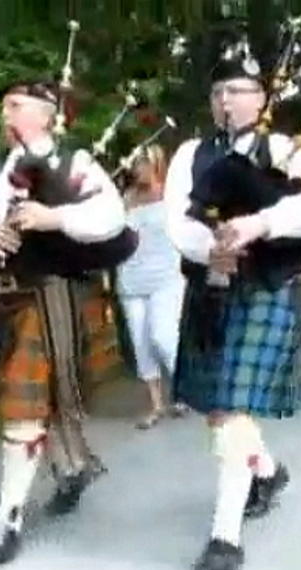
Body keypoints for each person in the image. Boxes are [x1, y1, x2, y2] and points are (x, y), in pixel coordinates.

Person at [164, 48, 301, 570]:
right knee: (220, 414)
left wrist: (261, 224)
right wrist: (207, 248)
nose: (225, 101)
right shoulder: (190, 154)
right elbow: (177, 217)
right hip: (210, 288)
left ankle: (225, 538)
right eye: (218, 93)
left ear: (261, 98)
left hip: (261, 288)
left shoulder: (286, 150)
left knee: (234, 411)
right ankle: (266, 470)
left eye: (237, 91)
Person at [0, 78, 127, 569]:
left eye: (17, 106)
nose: (6, 114)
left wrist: (56, 217)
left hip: (52, 297)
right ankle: (71, 470)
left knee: (24, 411)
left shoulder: (74, 161)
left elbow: (111, 217)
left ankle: (7, 521)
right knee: (31, 404)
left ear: (46, 114)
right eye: (3, 105)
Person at [115, 144, 189, 429]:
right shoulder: (126, 198)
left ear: (158, 164)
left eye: (145, 163)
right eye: (136, 163)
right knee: (141, 342)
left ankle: (184, 390)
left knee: (163, 336)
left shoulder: (171, 195)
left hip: (167, 277)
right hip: (132, 279)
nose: (139, 168)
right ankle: (156, 404)